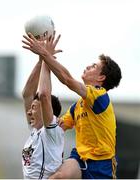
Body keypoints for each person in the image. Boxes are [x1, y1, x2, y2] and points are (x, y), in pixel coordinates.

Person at [22, 32, 122, 179]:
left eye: (94, 66)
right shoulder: (77, 107)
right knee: (58, 177)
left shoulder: (100, 95)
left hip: (102, 164)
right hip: (79, 158)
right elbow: (56, 126)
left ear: (101, 77)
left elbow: (67, 80)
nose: (88, 66)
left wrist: (44, 53)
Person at [22, 33, 67, 179]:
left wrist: (45, 54)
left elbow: (43, 95)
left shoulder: (51, 133)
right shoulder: (36, 130)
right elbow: (27, 93)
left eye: (34, 108)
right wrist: (41, 59)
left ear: (47, 110)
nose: (29, 112)